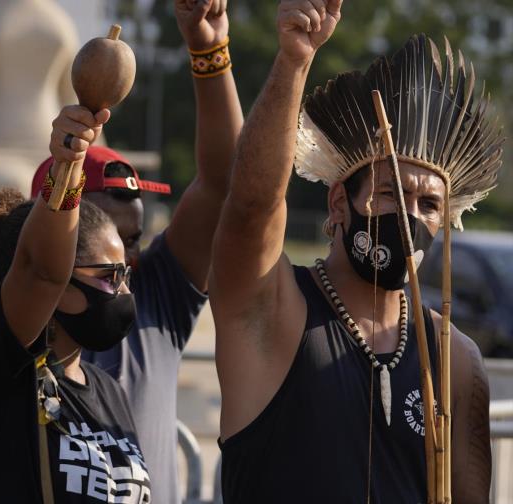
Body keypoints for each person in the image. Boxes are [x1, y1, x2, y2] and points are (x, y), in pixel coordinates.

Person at [0, 1, 243, 500]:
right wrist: (68, 158)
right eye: (108, 266)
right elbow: (42, 271)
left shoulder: (133, 340)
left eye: (133, 245)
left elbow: (226, 185)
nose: (129, 271)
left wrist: (210, 51)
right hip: (7, 154)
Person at [209, 0, 499, 502]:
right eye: (390, 194)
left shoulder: (454, 356)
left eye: (429, 204)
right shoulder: (273, 309)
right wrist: (294, 61)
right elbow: (250, 210)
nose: (411, 218)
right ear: (340, 202)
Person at [0, 101, 155, 501]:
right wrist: (67, 163)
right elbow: (40, 270)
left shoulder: (110, 392)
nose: (125, 290)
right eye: (109, 277)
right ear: (58, 285)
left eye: (125, 274)